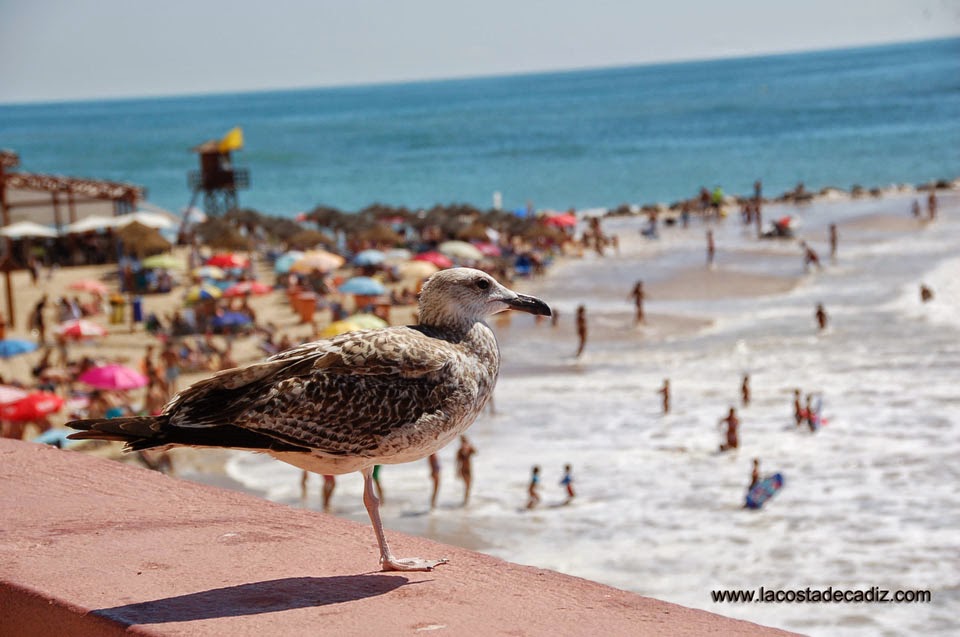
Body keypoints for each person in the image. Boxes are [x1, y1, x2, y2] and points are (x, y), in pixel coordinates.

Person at [455, 435, 476, 506]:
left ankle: (466, 500)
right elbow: (457, 462)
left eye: (465, 441)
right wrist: (457, 471)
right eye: (463, 441)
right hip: (463, 469)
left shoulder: (469, 448)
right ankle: (465, 501)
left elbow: (476, 452)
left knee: (469, 485)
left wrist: (470, 446)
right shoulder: (459, 451)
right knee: (467, 485)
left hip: (469, 469)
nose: (464, 442)